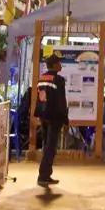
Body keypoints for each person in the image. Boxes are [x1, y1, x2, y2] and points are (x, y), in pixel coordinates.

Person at [35, 54, 70, 187]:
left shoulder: (42, 78)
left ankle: (46, 174)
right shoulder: (58, 80)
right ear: (55, 65)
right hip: (54, 116)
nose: (61, 65)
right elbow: (61, 101)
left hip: (43, 114)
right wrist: (65, 118)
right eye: (59, 63)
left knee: (46, 145)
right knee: (51, 147)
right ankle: (43, 175)